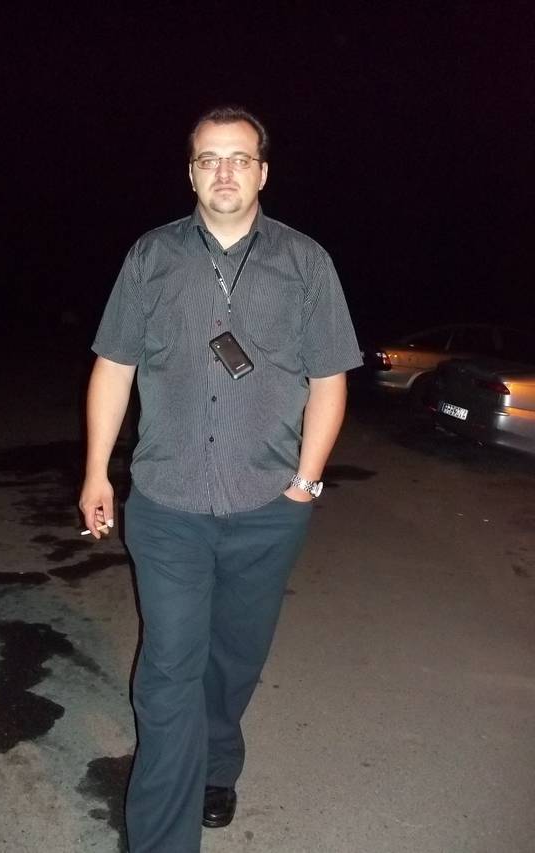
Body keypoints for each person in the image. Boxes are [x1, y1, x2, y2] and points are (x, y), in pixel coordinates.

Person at [79, 106, 362, 853]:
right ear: (192, 172)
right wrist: (96, 470)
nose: (225, 171)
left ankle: (217, 766)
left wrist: (305, 485)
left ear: (263, 172)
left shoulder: (306, 263)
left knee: (233, 659)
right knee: (169, 668)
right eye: (210, 159)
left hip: (267, 505)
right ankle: (162, 840)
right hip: (167, 503)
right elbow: (114, 366)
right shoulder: (151, 256)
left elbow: (329, 380)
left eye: (239, 158)